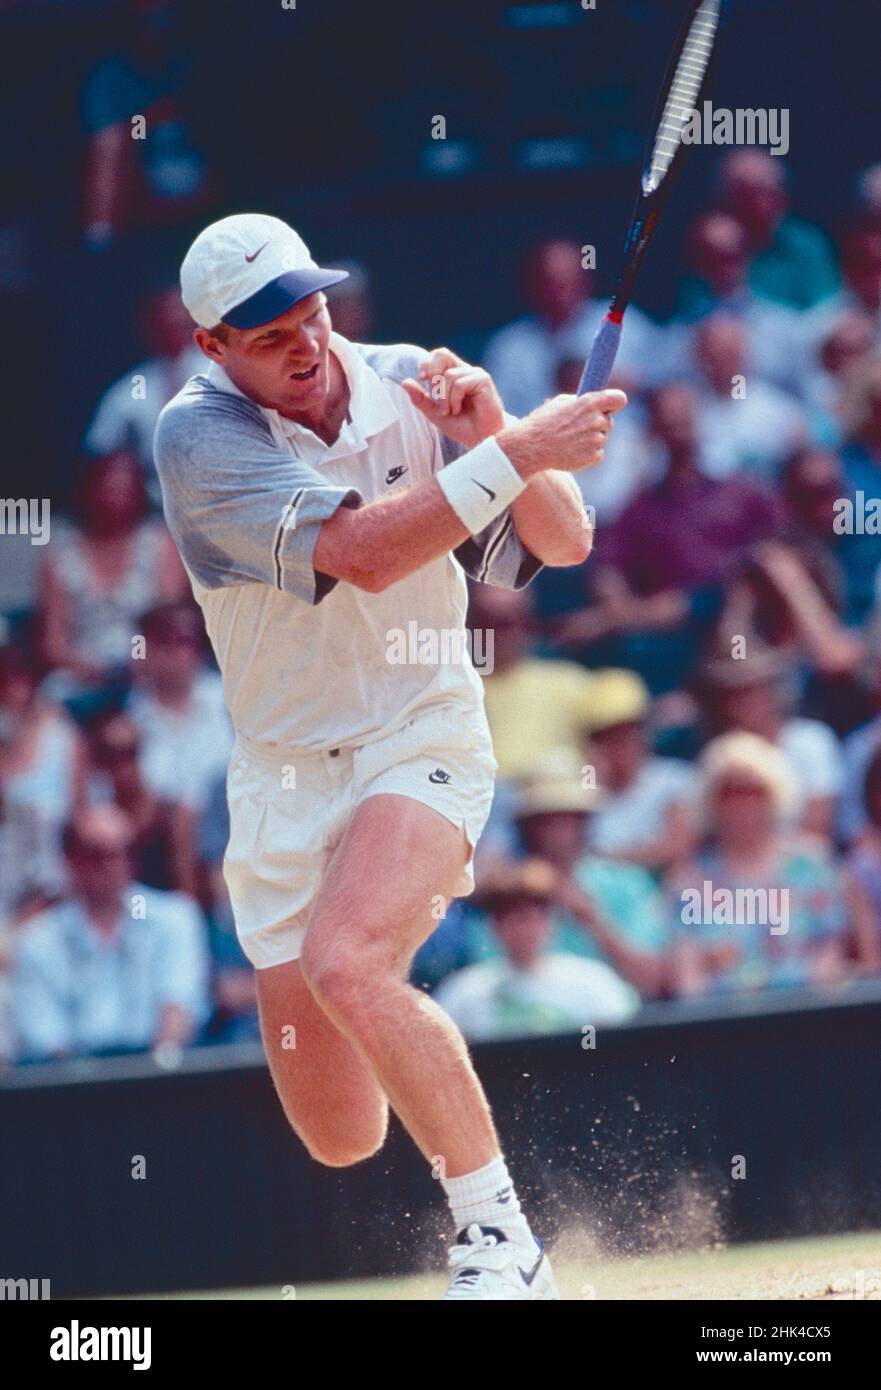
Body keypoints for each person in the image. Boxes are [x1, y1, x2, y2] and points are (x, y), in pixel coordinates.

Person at [154, 212, 625, 1300]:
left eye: (309, 310)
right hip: (277, 774)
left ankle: (499, 1240)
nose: (303, 342)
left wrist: (498, 426)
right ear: (212, 349)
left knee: (347, 958)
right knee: (338, 1135)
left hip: (420, 725)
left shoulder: (414, 380)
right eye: (268, 333)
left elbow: (560, 543)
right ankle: (402, 1036)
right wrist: (514, 449)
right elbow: (363, 554)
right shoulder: (195, 439)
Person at [12, 805, 209, 1063]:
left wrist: (159, 1074)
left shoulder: (173, 919)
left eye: (120, 853)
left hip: (160, 1075)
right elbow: (45, 1035)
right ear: (70, 860)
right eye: (96, 854)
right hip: (75, 1084)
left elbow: (180, 1002)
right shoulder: (38, 940)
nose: (110, 865)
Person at [669, 733, 847, 997]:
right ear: (711, 801)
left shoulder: (811, 864)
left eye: (753, 792)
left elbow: (831, 950)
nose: (742, 804)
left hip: (804, 1013)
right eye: (730, 793)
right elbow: (687, 974)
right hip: (722, 1021)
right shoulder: (688, 881)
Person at [433, 859, 638, 1042]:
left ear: (551, 922)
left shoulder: (593, 982)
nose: (524, 929)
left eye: (532, 917)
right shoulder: (464, 992)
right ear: (495, 926)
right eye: (512, 919)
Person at [37, 450, 188, 696]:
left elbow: (171, 623)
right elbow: (54, 646)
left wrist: (139, 662)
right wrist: (97, 672)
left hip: (151, 671)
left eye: (124, 487)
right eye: (108, 486)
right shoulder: (60, 557)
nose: (116, 495)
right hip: (82, 675)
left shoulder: (160, 545)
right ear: (89, 490)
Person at [482, 237, 656, 415]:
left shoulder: (626, 323)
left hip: (626, 439)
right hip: (544, 438)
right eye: (550, 281)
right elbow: (497, 416)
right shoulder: (509, 347)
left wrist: (621, 381)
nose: (560, 291)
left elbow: (667, 387)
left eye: (568, 280)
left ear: (584, 279)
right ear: (532, 284)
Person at [696, 646, 845, 842]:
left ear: (773, 691)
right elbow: (710, 829)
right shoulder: (719, 752)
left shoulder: (812, 740)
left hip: (798, 859)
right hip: (736, 863)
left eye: (752, 691)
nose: (743, 702)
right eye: (734, 694)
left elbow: (816, 829)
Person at [84, 281, 204, 506]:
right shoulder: (129, 391)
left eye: (178, 313)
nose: (172, 321)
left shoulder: (224, 374)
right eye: (164, 315)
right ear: (148, 324)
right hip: (153, 510)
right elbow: (100, 452)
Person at [580, 668, 697, 874]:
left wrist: (607, 859)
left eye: (627, 733)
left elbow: (676, 847)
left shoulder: (674, 778)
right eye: (608, 737)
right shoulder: (584, 796)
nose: (620, 745)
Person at [124, 600, 233, 815]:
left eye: (182, 642)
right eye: (161, 642)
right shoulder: (126, 716)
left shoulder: (230, 702)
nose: (170, 654)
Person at [716, 152, 839, 311]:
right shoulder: (713, 242)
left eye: (765, 192)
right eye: (745, 194)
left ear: (782, 194)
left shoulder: (807, 243)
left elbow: (826, 308)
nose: (757, 203)